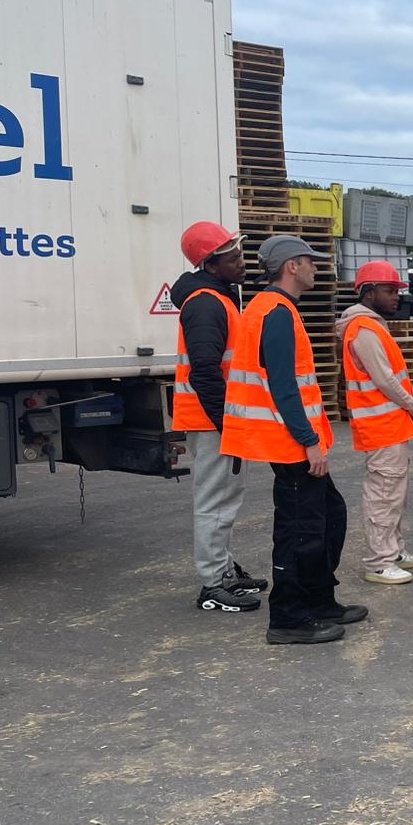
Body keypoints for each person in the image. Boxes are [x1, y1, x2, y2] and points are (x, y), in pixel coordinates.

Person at [221, 235, 367, 645]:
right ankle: (287, 617)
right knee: (300, 530)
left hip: (284, 437)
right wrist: (308, 441)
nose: (315, 267)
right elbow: (284, 386)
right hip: (289, 441)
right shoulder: (277, 313)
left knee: (328, 515)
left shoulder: (273, 308)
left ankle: (319, 599)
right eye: (309, 261)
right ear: (291, 267)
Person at [172, 221, 265, 614]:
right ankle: (212, 584)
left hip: (218, 418)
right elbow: (205, 370)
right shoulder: (207, 304)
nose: (242, 261)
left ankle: (224, 571)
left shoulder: (217, 298)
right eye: (233, 256)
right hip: (212, 420)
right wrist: (228, 423)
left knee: (226, 498)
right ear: (211, 263)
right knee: (213, 501)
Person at [337, 261, 413, 586]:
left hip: (389, 424)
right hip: (382, 425)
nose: (396, 298)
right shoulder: (364, 330)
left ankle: (393, 551)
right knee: (384, 493)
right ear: (368, 291)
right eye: (389, 291)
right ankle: (379, 562)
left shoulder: (371, 326)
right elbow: (385, 379)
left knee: (394, 493)